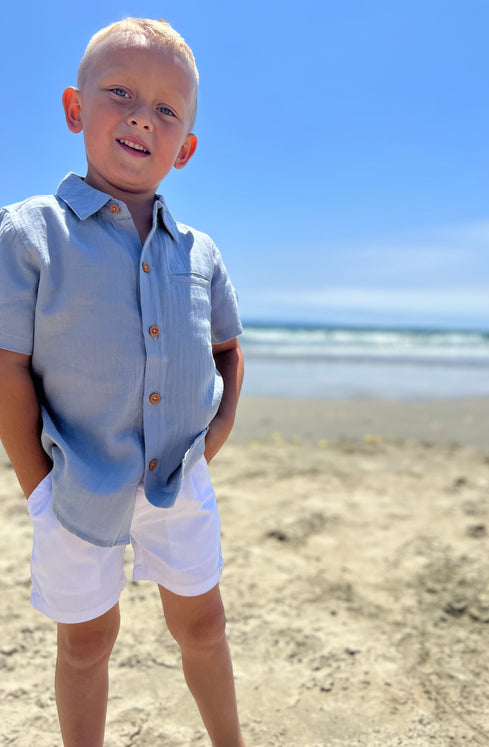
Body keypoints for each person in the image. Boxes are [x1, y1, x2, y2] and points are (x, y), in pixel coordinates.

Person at [0, 18, 245, 747]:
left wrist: (220, 429)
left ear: (185, 148)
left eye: (168, 109)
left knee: (203, 621)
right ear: (76, 109)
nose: (143, 115)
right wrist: (36, 483)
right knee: (86, 639)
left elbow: (229, 347)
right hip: (75, 480)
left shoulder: (200, 252)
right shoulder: (29, 234)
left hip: (180, 478)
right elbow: (7, 364)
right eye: (120, 93)